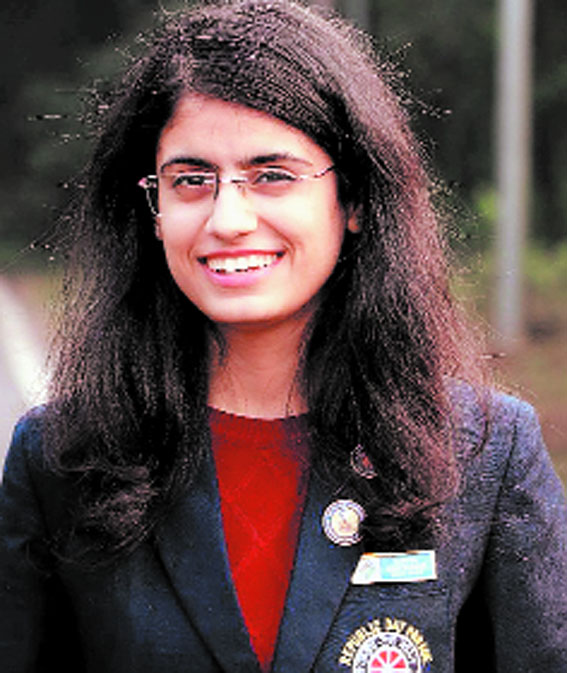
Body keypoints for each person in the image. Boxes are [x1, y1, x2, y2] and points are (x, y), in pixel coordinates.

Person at [1, 1, 566, 671]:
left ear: (354, 199)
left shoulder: (486, 453)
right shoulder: (60, 460)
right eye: (191, 180)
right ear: (153, 210)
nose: (228, 218)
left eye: (271, 176)